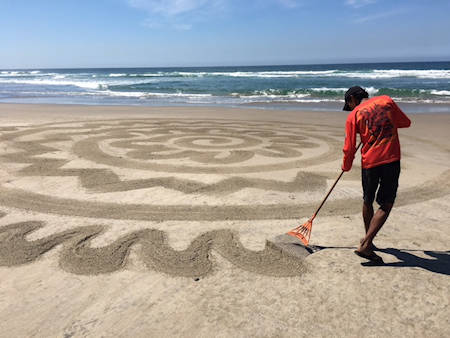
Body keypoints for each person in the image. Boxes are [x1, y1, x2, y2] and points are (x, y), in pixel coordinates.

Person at [342, 86, 411, 263]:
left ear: (351, 100)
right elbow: (405, 122)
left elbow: (349, 148)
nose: (349, 108)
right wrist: (384, 125)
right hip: (390, 159)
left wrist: (346, 166)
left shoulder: (354, 115)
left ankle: (367, 241)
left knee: (368, 200)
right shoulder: (386, 101)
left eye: (348, 105)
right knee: (386, 203)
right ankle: (366, 244)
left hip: (370, 162)